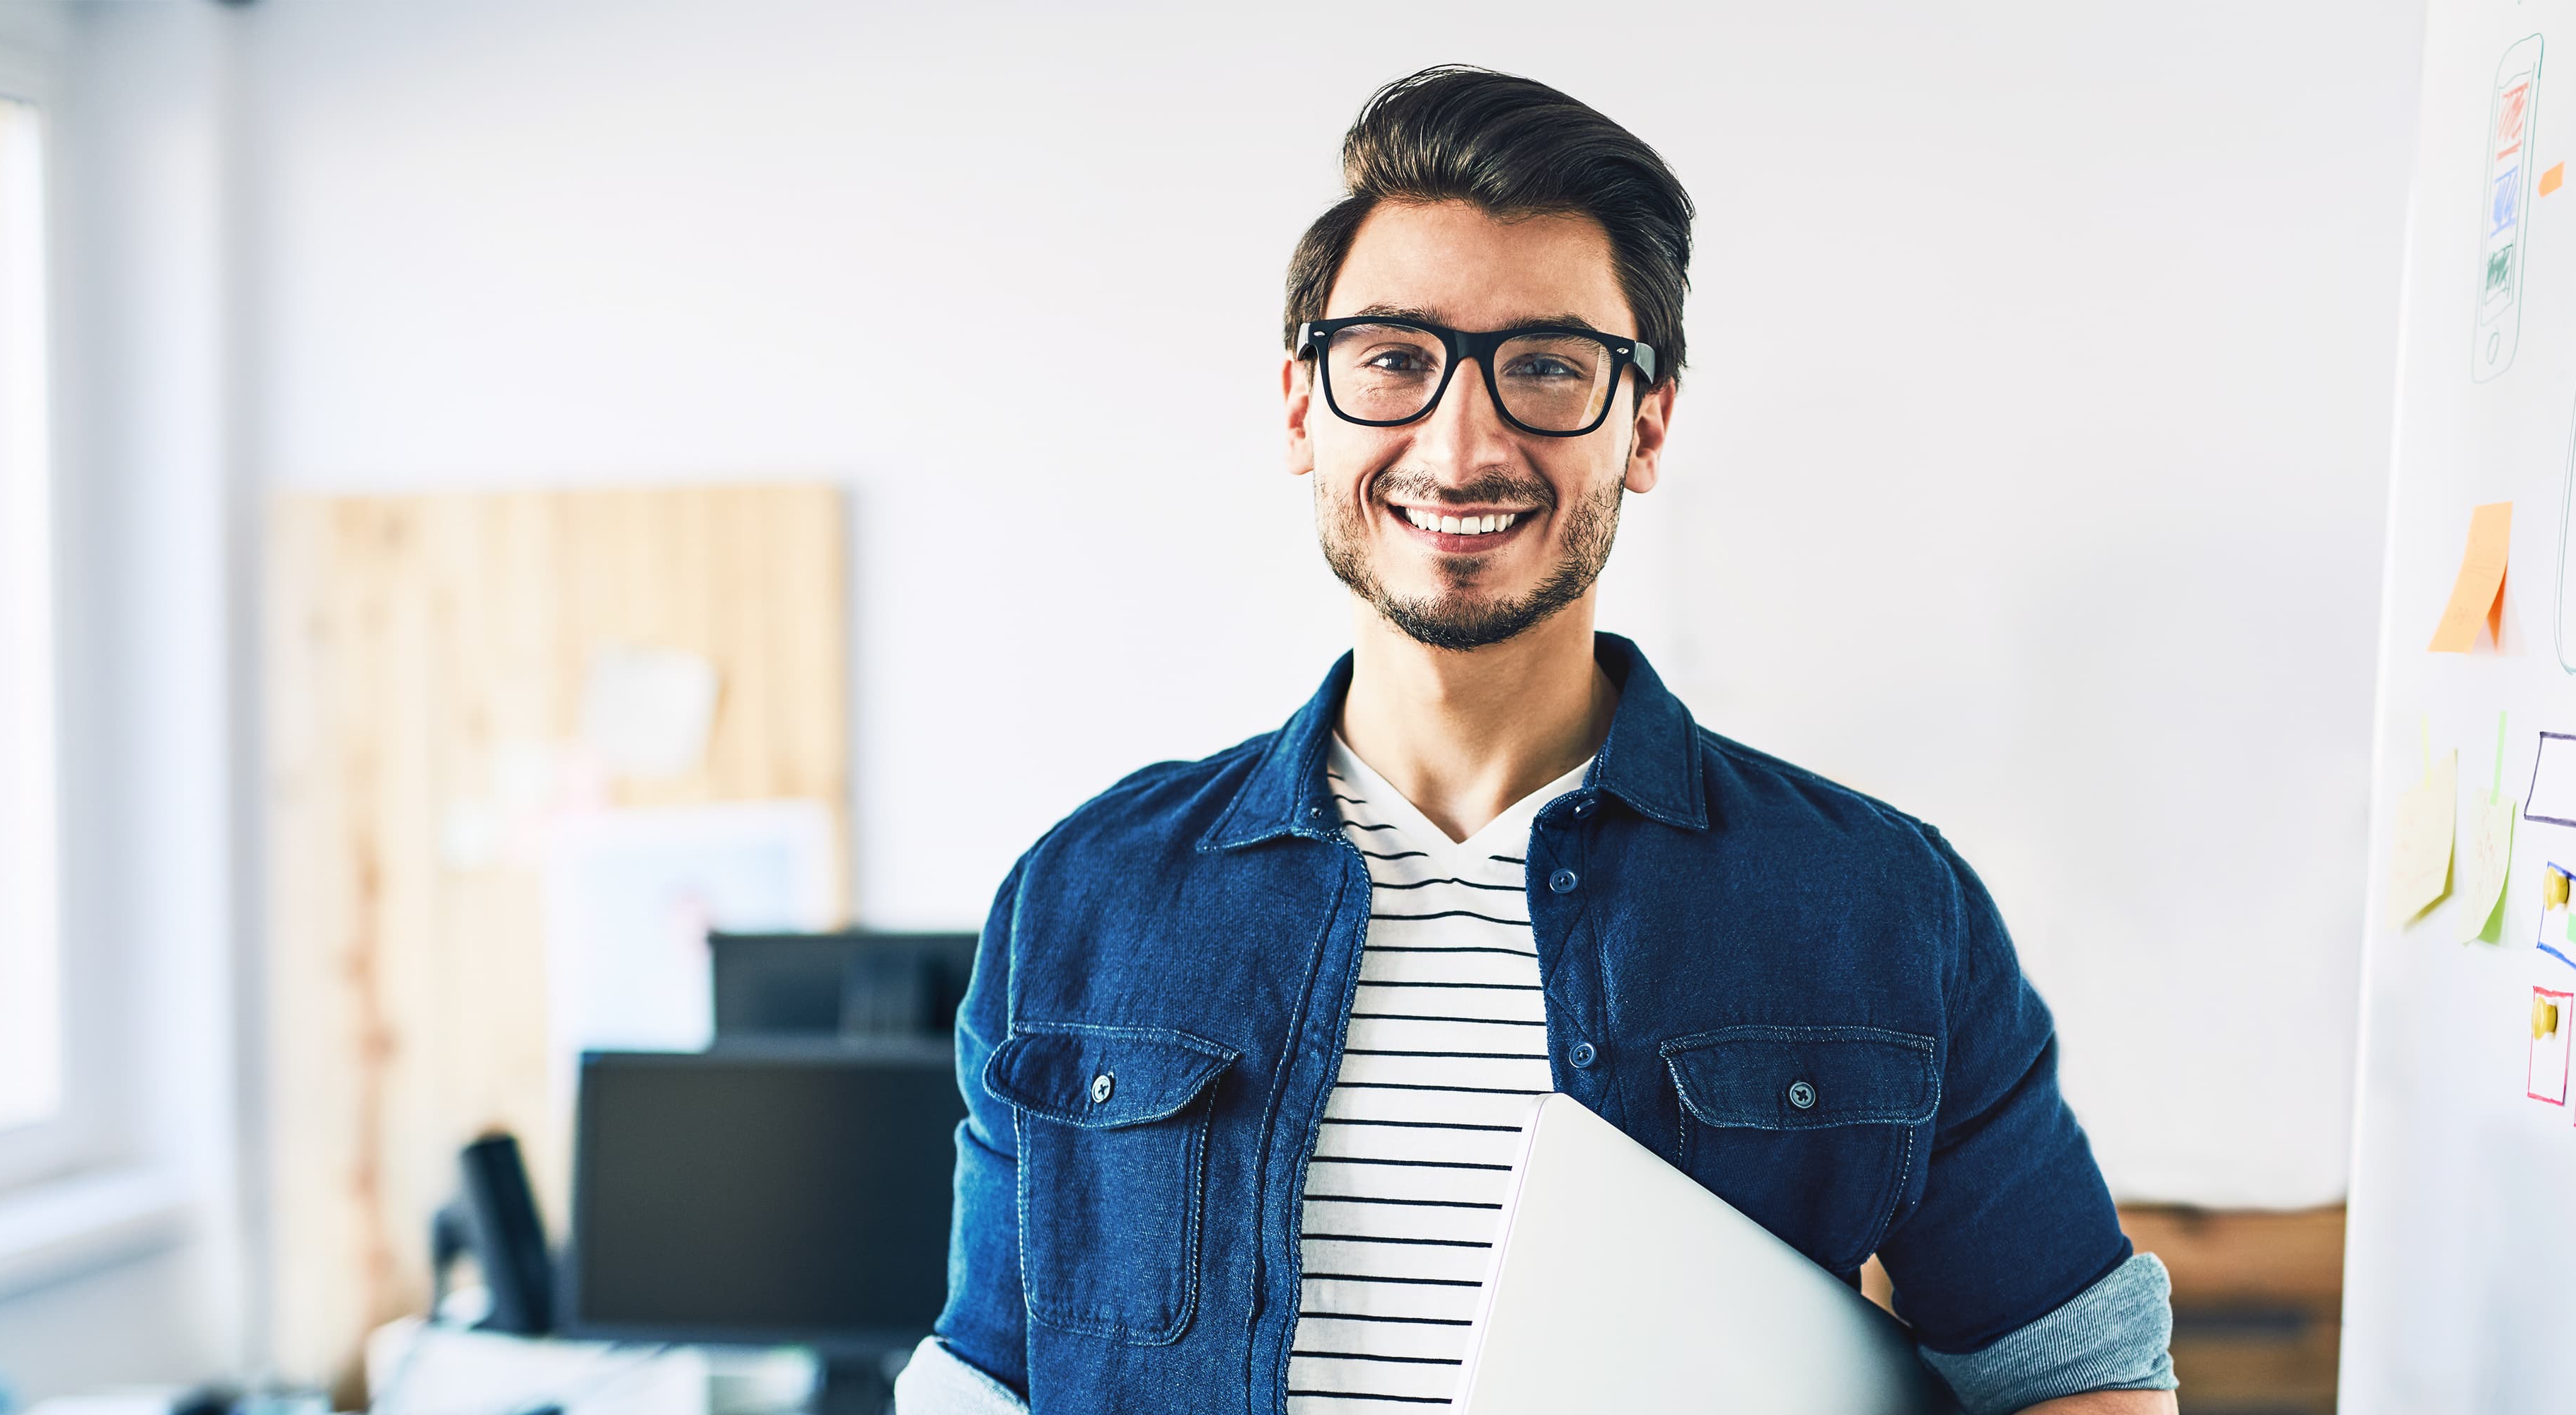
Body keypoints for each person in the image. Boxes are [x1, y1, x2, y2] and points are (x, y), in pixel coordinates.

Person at [902, 65, 2178, 1415]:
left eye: (1547, 369)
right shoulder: (1084, 895)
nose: (1462, 446)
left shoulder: (1886, 907)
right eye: (1393, 358)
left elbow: (2081, 1377)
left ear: (1647, 422)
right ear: (1300, 407)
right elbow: (986, 1376)